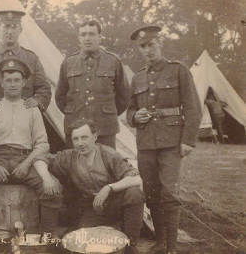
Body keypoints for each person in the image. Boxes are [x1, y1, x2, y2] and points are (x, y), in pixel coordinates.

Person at [127, 25, 202, 254]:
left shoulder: (177, 70)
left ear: (160, 44)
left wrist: (187, 140)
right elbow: (130, 110)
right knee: (151, 193)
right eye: (143, 47)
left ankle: (172, 247)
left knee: (170, 194)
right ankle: (160, 242)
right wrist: (134, 117)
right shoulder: (138, 77)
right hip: (146, 143)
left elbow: (192, 107)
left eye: (151, 45)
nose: (147, 50)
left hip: (171, 141)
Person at [0, 58, 62, 237]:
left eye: (17, 80)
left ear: (24, 82)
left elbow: (42, 144)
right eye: (8, 80)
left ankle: (46, 236)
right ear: (1, 83)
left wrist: (26, 164)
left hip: (26, 160)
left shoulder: (32, 109)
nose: (12, 84)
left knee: (53, 188)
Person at [33, 119, 144, 254]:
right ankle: (112, 227)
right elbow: (40, 158)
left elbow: (136, 178)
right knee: (79, 241)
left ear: (95, 137)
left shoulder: (108, 154)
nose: (80, 143)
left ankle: (131, 245)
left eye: (84, 138)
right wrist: (47, 179)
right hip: (94, 207)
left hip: (116, 203)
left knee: (134, 194)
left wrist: (108, 188)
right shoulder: (70, 157)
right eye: (76, 139)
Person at [55, 20, 130, 149]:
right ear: (79, 38)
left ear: (100, 37)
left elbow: (124, 96)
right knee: (75, 166)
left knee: (105, 165)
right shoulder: (68, 62)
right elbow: (60, 96)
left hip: (104, 128)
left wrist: (106, 112)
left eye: (91, 34)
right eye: (83, 35)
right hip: (75, 127)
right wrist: (74, 113)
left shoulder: (113, 61)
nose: (87, 38)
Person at [0, 10, 51, 113]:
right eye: (6, 26)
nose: (10, 31)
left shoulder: (31, 58)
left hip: (23, 114)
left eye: (14, 26)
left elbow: (44, 88)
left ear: (20, 30)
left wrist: (36, 100)